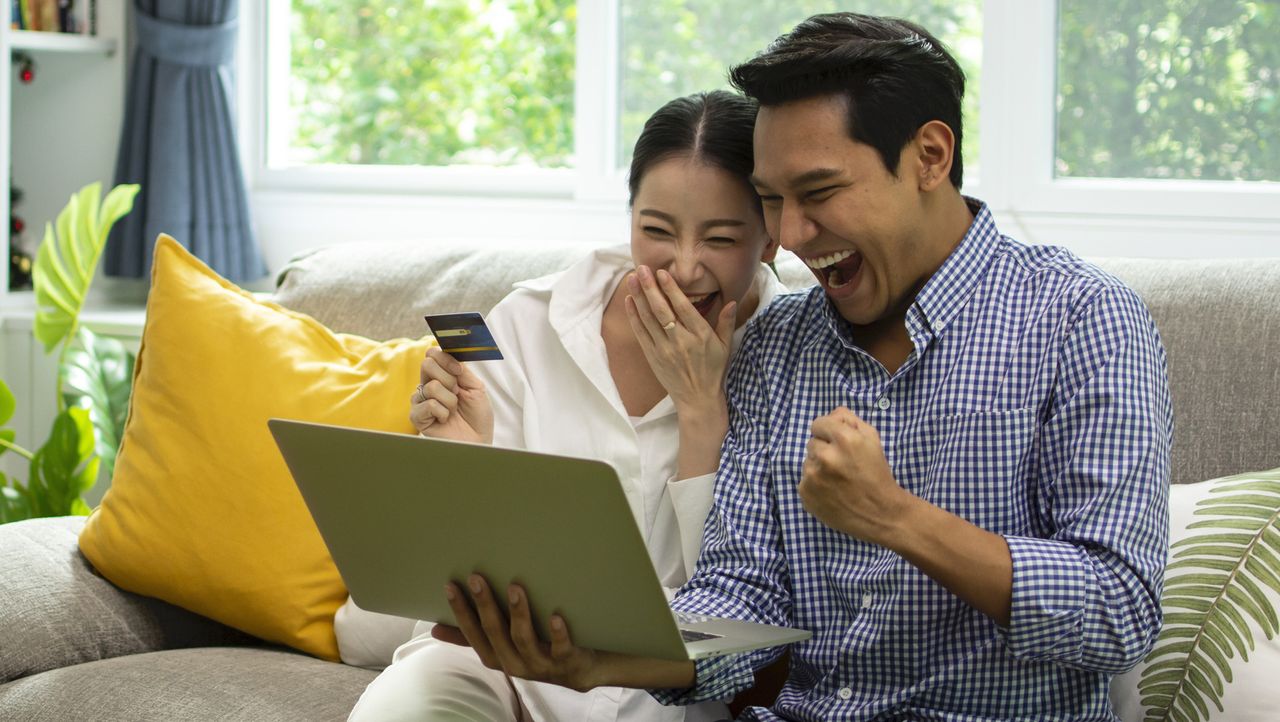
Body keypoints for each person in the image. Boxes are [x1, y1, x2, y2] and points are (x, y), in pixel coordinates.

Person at [438, 12, 1174, 721]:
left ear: (929, 157)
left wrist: (896, 519)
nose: (791, 236)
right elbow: (741, 600)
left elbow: (1118, 611)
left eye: (819, 193)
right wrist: (596, 659)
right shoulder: (778, 342)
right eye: (772, 202)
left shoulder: (1084, 318)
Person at [343, 89, 785, 722]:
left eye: (720, 238)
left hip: (658, 689)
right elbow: (463, 561)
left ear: (769, 240)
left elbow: (734, 600)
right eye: (656, 231)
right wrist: (463, 459)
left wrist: (700, 412)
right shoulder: (529, 321)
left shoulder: (791, 354)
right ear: (629, 217)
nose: (684, 269)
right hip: (493, 661)